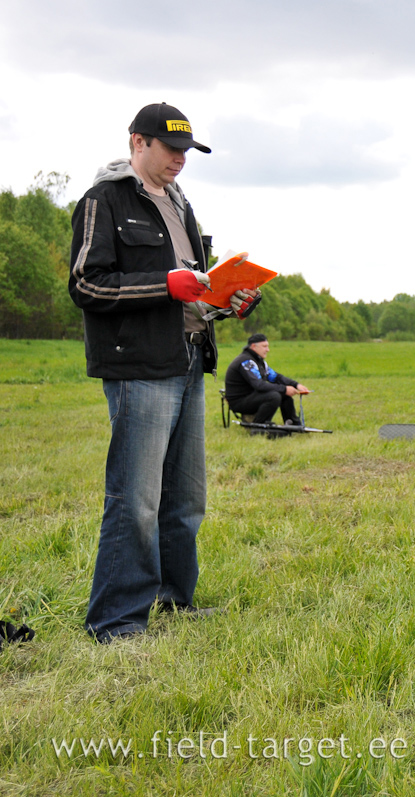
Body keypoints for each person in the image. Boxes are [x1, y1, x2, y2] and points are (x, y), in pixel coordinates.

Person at [68, 102, 258, 643]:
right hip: (139, 368)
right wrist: (164, 285)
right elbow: (86, 285)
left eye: (186, 152)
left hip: (190, 358)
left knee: (184, 497)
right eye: (170, 149)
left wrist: (228, 300)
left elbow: (195, 290)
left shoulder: (181, 206)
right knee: (136, 498)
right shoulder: (102, 201)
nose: (180, 159)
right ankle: (117, 621)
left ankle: (175, 601)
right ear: (137, 143)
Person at [224, 334, 311, 427]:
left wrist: (296, 385)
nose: (268, 349)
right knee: (274, 396)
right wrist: (284, 389)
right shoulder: (246, 361)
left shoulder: (259, 361)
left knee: (283, 395)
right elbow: (259, 385)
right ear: (254, 346)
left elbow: (276, 377)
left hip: (251, 396)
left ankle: (294, 424)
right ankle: (259, 425)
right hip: (239, 401)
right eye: (264, 346)